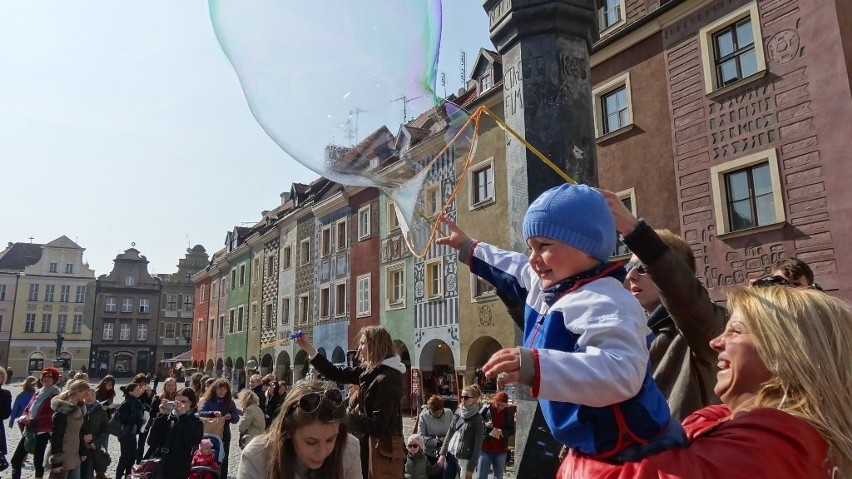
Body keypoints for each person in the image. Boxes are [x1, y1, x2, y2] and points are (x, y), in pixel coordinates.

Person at [437, 184, 679, 462]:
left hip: (635, 454)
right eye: (531, 247)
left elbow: (621, 371)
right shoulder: (547, 285)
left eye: (544, 246)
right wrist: (467, 246)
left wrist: (537, 365)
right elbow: (511, 266)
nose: (533, 258)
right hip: (590, 448)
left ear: (585, 246)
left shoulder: (607, 300)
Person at [566, 286, 852, 477]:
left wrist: (582, 429)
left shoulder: (773, 440)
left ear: (785, 353)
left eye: (736, 331)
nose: (716, 342)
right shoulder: (727, 421)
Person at [598, 189, 727, 420]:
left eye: (643, 267)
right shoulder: (629, 329)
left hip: (683, 451)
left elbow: (685, 298)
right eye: (629, 268)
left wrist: (633, 230)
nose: (631, 277)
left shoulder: (700, 330)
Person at [296, 326, 406, 479]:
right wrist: (308, 348)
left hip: (380, 453)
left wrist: (343, 415)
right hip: (367, 448)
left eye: (362, 343)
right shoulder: (371, 372)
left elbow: (378, 424)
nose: (359, 348)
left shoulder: (388, 377)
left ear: (375, 345)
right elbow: (335, 373)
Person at [237, 380, 362, 479]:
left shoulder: (349, 448)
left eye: (330, 440)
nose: (322, 452)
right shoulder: (256, 457)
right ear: (288, 431)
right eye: (311, 442)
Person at [10, 367, 61, 479]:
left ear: (54, 380)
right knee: (16, 460)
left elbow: (51, 415)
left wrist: (33, 421)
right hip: (29, 430)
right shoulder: (37, 392)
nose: (46, 379)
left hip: (42, 431)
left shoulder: (55, 395)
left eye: (50, 377)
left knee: (38, 461)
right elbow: (28, 408)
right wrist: (24, 416)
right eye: (45, 376)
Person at [146, 387, 204, 479]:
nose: (179, 405)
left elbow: (194, 440)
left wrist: (183, 417)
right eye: (176, 402)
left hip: (178, 469)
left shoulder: (195, 421)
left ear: (192, 403)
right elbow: (151, 441)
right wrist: (161, 416)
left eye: (183, 402)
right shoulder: (168, 418)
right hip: (159, 465)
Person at [436, 385, 485, 479]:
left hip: (464, 458)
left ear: (474, 399)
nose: (463, 400)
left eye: (466, 397)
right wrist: (442, 453)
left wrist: (470, 469)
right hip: (450, 453)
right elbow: (449, 433)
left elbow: (477, 447)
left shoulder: (478, 420)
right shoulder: (459, 412)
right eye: (462, 397)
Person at [47, 379, 90, 479]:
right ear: (77, 391)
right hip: (63, 456)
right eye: (85, 393)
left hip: (74, 455)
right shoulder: (62, 413)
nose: (87, 395)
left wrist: (82, 451)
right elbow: (56, 437)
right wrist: (56, 462)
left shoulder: (79, 410)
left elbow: (79, 433)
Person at [197, 379, 240, 473]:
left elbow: (236, 418)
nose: (222, 391)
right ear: (215, 389)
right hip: (209, 434)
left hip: (224, 434)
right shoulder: (208, 401)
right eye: (220, 389)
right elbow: (200, 413)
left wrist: (231, 416)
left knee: (223, 458)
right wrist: (212, 413)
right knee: (208, 457)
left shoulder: (230, 402)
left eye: (224, 389)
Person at [477, 391, 514, 479]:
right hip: (486, 446)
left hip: (501, 448)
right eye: (498, 404)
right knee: (481, 475)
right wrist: (485, 424)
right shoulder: (486, 408)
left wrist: (502, 432)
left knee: (498, 475)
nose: (500, 407)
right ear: (494, 401)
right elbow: (477, 422)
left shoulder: (508, 413)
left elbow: (512, 430)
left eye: (503, 405)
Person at [113, 382, 145, 479]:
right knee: (125, 457)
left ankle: (128, 475)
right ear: (130, 392)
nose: (139, 391)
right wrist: (139, 420)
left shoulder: (135, 401)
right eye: (136, 390)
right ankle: (119, 476)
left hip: (132, 433)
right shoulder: (127, 403)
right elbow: (124, 418)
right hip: (126, 434)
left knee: (131, 457)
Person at [79, 387, 110, 479]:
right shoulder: (79, 409)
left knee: (93, 471)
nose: (90, 397)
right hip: (81, 447)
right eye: (88, 394)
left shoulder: (100, 410)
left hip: (95, 447)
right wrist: (82, 437)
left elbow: (106, 429)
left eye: (92, 394)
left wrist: (96, 442)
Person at [415, 395, 453, 461]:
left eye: (440, 412)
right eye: (435, 413)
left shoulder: (448, 413)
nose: (438, 414)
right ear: (430, 410)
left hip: (447, 451)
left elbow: (454, 430)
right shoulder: (424, 416)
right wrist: (437, 441)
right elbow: (421, 436)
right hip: (430, 452)